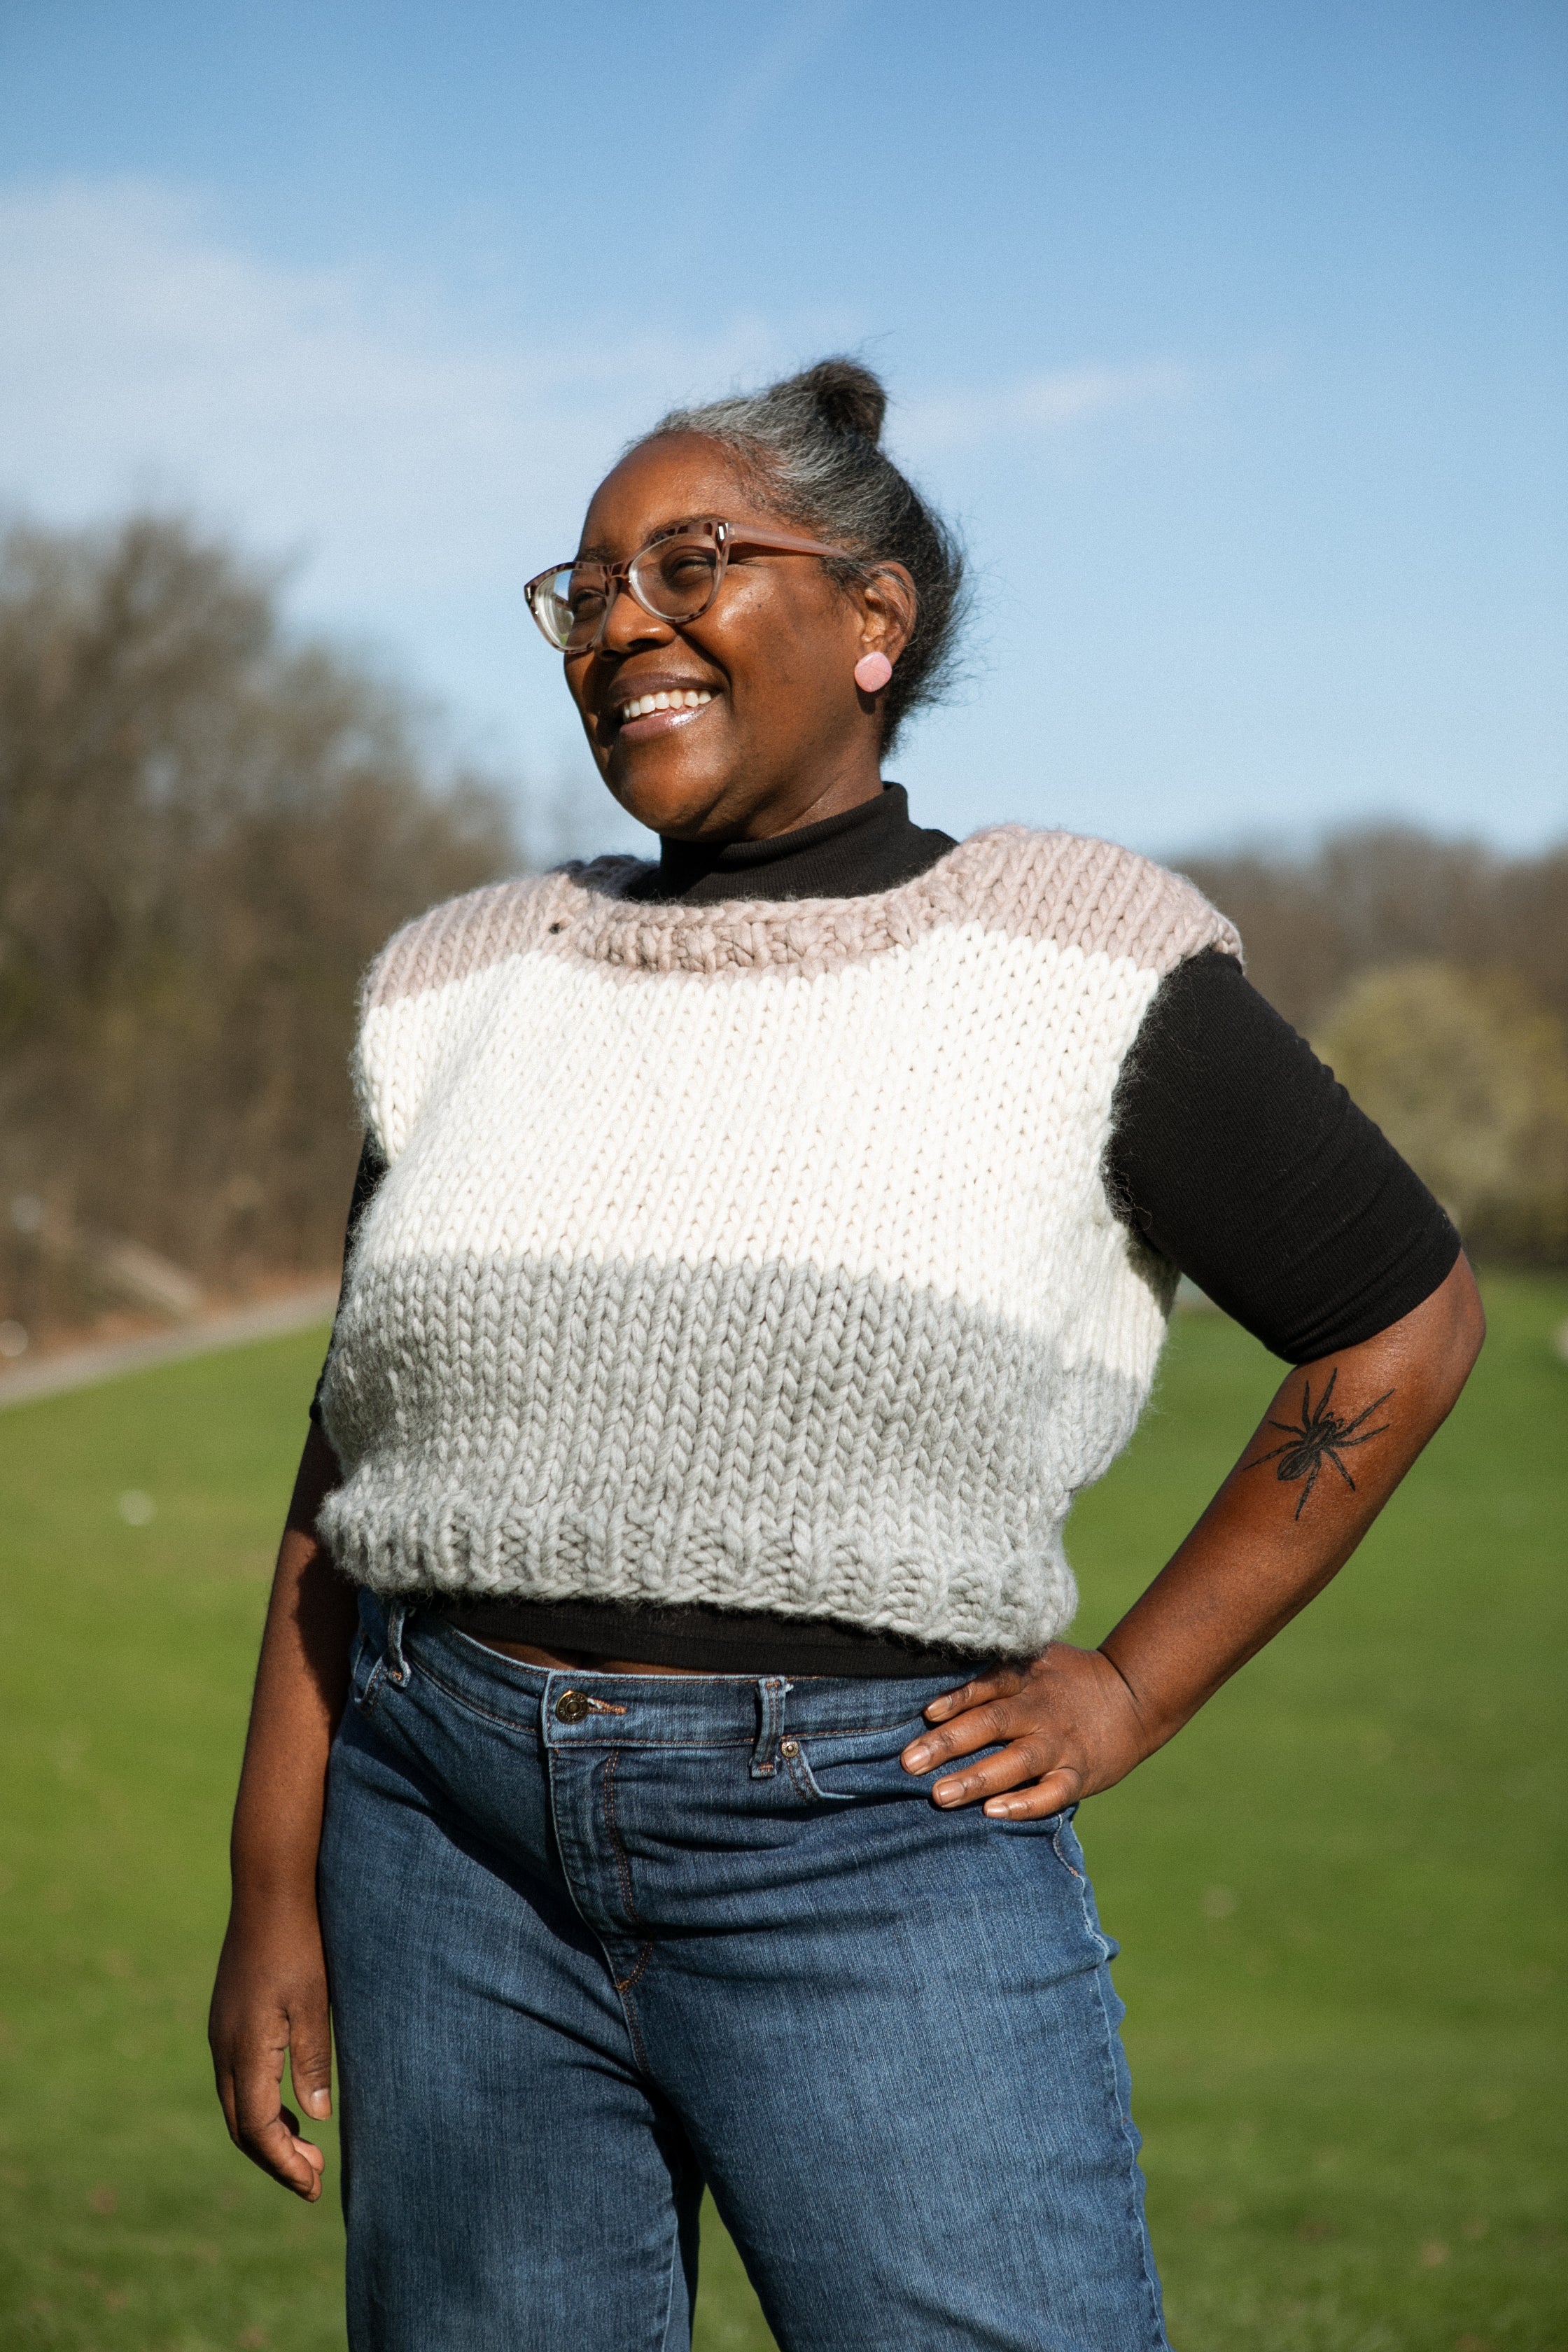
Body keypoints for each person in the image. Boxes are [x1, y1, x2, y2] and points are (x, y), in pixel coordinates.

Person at [209, 359, 1484, 2352]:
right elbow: (348, 1464)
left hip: (870, 1853)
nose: (621, 619)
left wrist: (1134, 1688)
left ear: (875, 619)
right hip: (438, 1839)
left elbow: (1400, 1325)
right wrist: (272, 1876)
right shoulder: (460, 979)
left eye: (690, 561)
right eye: (587, 586)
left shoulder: (1080, 960)